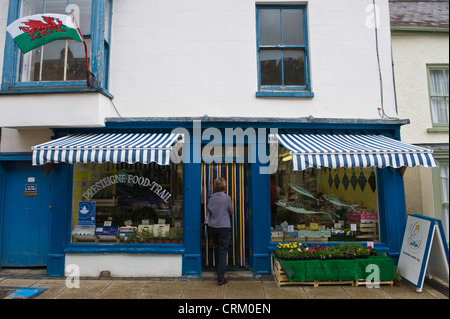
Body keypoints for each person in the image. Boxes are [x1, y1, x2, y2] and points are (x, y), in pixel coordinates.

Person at [205, 177, 234, 285]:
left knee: (216, 247)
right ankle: (221, 277)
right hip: (223, 227)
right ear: (224, 187)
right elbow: (231, 211)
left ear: (215, 187)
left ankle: (215, 267)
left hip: (213, 226)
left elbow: (209, 209)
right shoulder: (227, 198)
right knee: (223, 251)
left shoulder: (211, 198)